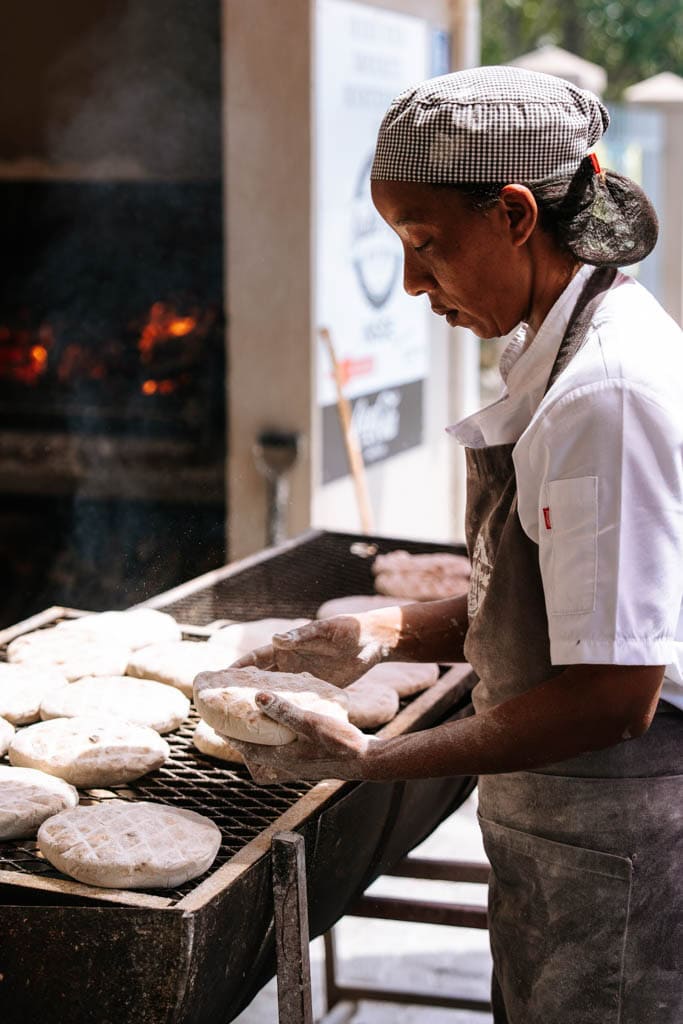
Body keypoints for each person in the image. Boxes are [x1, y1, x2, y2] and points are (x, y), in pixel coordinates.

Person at [229, 67, 682, 1023]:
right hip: (572, 839)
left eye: (424, 242)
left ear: (516, 213)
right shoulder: (561, 342)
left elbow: (611, 694)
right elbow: (560, 606)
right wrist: (384, 633)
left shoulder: (603, 393)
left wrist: (369, 761)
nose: (409, 281)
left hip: (620, 841)